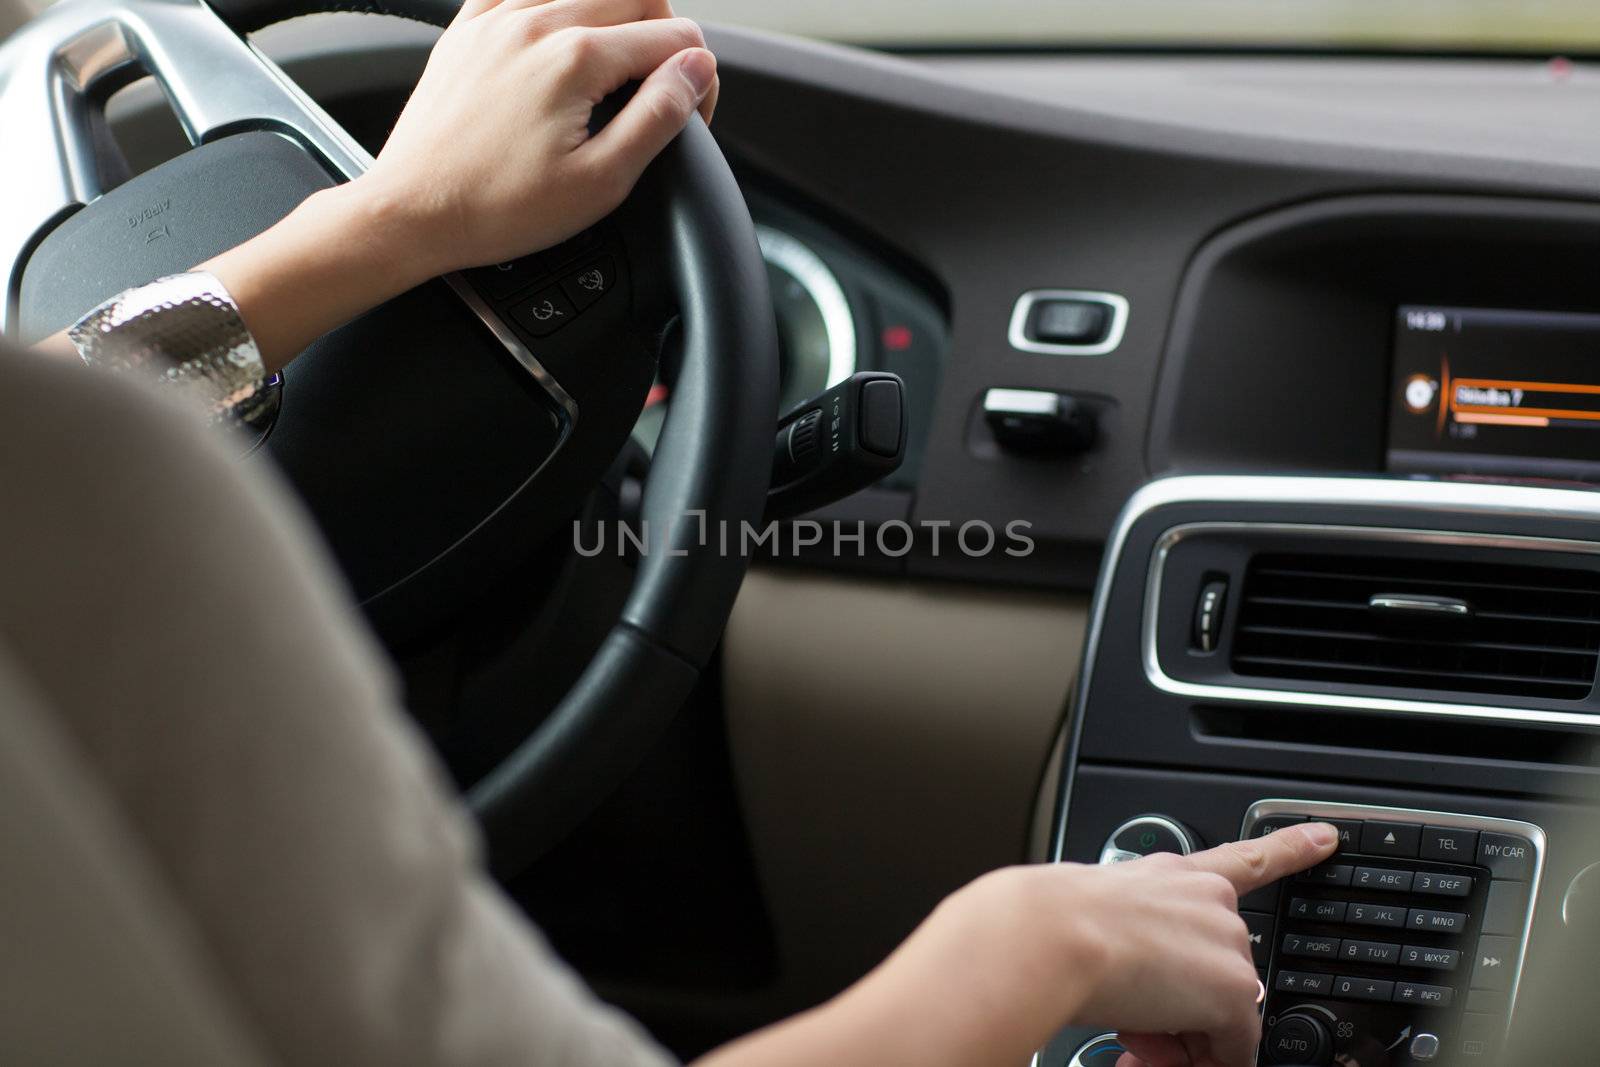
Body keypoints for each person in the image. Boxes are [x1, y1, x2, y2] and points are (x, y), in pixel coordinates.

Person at [15, 0, 1341, 1064]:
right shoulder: (107, 494)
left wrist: (392, 220)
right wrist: (1030, 958)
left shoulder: (76, 471)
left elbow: (58, 412)